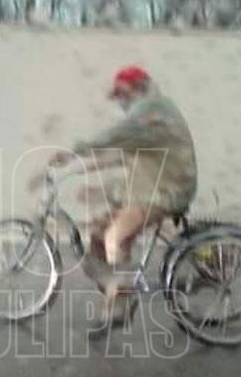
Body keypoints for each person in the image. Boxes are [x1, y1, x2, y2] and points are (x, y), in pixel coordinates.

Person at [36, 66, 198, 330]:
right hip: (150, 189)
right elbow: (117, 155)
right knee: (98, 236)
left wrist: (73, 151)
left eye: (123, 94)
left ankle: (121, 306)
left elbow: (114, 136)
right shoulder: (147, 117)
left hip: (166, 191)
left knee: (116, 238)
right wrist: (74, 169)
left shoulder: (152, 108)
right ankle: (118, 291)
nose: (120, 102)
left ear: (140, 88)